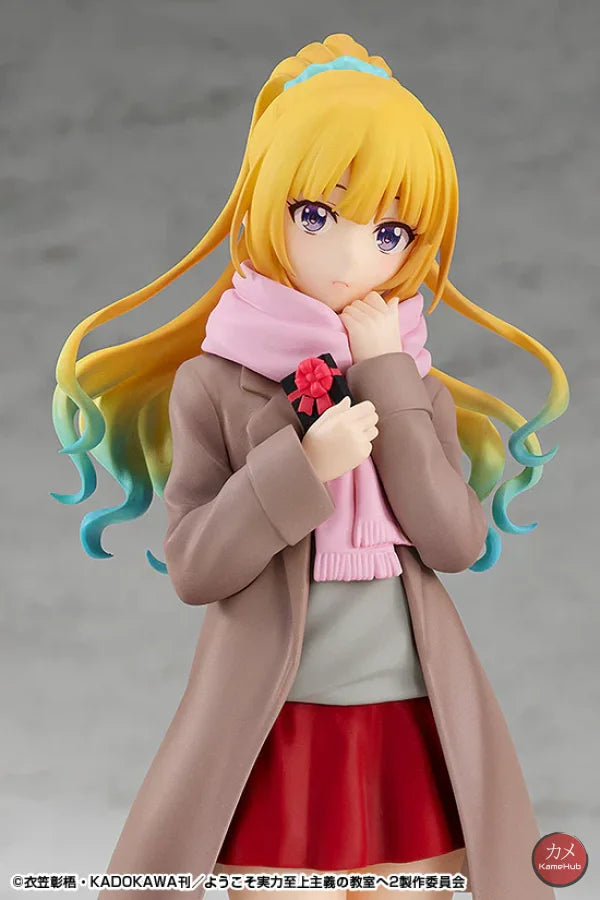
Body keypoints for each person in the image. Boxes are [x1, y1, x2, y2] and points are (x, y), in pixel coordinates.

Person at [51, 33, 567, 900]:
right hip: (270, 710)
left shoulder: (415, 383)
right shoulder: (214, 382)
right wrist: (304, 466)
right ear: (267, 206)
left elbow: (455, 541)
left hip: (407, 702)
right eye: (317, 216)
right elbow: (195, 568)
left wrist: (389, 375)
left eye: (389, 231)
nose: (352, 258)